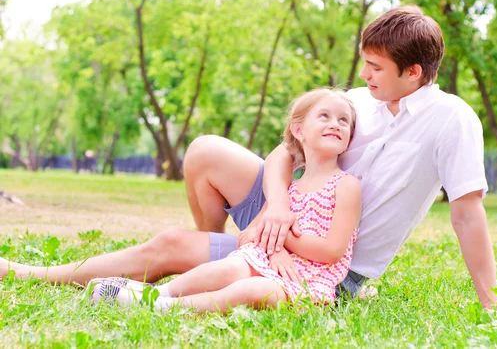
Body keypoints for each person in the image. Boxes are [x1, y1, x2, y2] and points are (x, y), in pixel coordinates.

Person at [0, 5, 496, 307]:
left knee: (171, 245)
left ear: (413, 73)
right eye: (363, 64)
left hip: (325, 262)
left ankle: (207, 264)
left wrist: (491, 306)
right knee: (204, 152)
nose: (364, 76)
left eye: (375, 68)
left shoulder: (452, 121)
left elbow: (468, 216)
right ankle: (210, 253)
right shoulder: (359, 103)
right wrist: (276, 204)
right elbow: (287, 150)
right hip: (288, 217)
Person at [88, 88, 361, 312]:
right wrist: (274, 249)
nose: (334, 124)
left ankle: (164, 307)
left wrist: (280, 237)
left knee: (252, 290)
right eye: (324, 116)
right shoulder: (287, 188)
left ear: (349, 137)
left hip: (307, 282)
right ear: (299, 131)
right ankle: (156, 293)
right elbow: (251, 234)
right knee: (229, 268)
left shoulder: (346, 186)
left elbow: (332, 251)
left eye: (343, 120)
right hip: (269, 262)